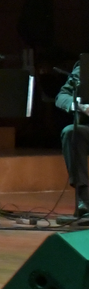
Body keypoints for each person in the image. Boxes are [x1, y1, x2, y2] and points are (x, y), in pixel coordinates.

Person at [54, 62, 89, 221]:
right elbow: (63, 96)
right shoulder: (85, 66)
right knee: (71, 132)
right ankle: (85, 199)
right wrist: (79, 105)